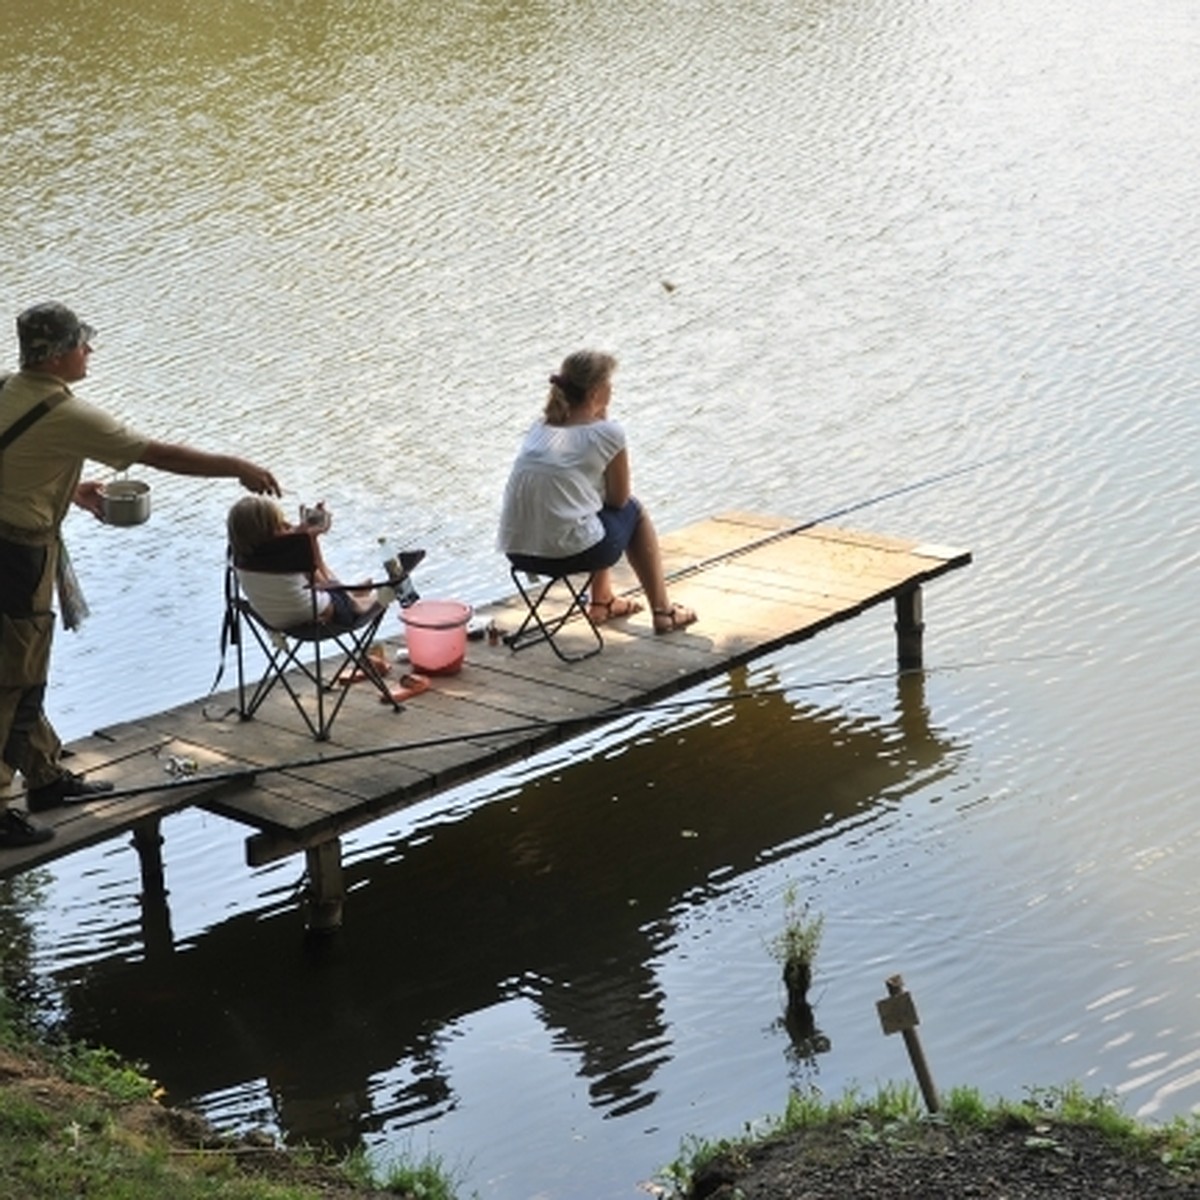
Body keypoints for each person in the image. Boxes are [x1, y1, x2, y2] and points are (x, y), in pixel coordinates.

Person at [0, 301, 281, 850]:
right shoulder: (69, 414)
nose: (90, 351)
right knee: (12, 680)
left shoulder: (8, 388)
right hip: (17, 558)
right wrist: (236, 467)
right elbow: (158, 455)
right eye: (83, 343)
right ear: (58, 355)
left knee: (20, 671)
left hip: (10, 544)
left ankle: (46, 777)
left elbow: (17, 463)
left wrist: (69, 491)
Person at [497, 349, 697, 637]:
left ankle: (602, 601)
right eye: (609, 383)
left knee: (588, 508)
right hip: (568, 555)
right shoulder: (607, 433)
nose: (612, 389)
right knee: (634, 512)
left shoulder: (538, 428)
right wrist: (602, 419)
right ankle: (664, 612)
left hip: (519, 553)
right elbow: (619, 500)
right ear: (595, 392)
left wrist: (597, 416)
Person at [226, 495, 380, 629]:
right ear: (268, 531)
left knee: (314, 582)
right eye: (280, 524)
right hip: (312, 612)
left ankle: (349, 592)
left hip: (273, 619)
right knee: (345, 592)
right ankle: (356, 600)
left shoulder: (242, 556)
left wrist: (304, 535)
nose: (287, 525)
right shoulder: (290, 552)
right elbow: (323, 581)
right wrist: (309, 539)